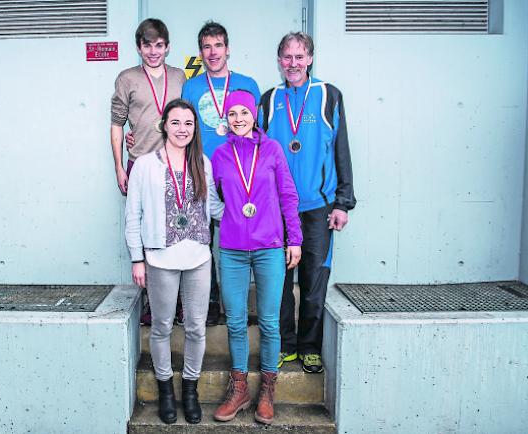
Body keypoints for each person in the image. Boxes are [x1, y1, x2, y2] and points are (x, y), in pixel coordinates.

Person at [258, 32, 356, 374]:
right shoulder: (269, 100)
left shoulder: (329, 95)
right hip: (277, 207)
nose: (293, 63)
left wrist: (342, 202)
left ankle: (310, 346)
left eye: (299, 56)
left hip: (318, 206)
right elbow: (257, 153)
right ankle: (285, 344)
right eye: (286, 57)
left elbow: (341, 151)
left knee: (314, 278)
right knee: (280, 281)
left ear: (310, 58)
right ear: (279, 60)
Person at [125, 98, 223, 425]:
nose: (183, 129)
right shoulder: (144, 165)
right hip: (160, 259)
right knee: (162, 327)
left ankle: (190, 390)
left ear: (195, 129)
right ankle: (166, 389)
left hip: (197, 258)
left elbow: (216, 209)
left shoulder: (203, 164)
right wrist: (137, 259)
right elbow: (133, 217)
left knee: (195, 327)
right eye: (176, 122)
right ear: (164, 125)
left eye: (189, 124)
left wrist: (252, 208)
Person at [211, 90, 302, 425]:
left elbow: (288, 195)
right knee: (235, 321)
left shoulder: (273, 150)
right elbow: (212, 199)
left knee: (268, 321)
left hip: (268, 248)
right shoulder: (219, 155)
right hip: (233, 250)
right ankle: (239, 390)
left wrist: (295, 238)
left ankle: (266, 390)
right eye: (232, 113)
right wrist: (230, 214)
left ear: (254, 115)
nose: (238, 118)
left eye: (243, 113)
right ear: (227, 119)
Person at [181, 21, 261, 325]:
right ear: (200, 52)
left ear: (227, 49)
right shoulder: (192, 86)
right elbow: (183, 127)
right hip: (202, 173)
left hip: (239, 173)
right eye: (206, 47)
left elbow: (257, 129)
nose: (212, 52)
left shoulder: (247, 84)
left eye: (217, 45)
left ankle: (238, 304)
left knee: (241, 236)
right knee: (204, 240)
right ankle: (210, 302)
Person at [111, 18, 186, 325]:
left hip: (176, 165)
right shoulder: (127, 78)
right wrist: (118, 166)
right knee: (145, 234)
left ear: (167, 47)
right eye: (147, 46)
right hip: (140, 164)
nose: (153, 52)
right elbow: (117, 125)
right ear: (138, 47)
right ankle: (151, 304)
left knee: (177, 234)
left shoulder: (180, 76)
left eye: (159, 46)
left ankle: (179, 303)